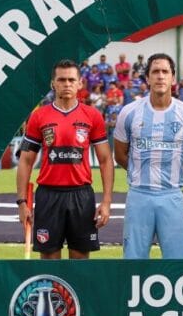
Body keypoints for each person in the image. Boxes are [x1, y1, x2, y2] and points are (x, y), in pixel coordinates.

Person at [16, 59, 114, 259]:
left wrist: (106, 202)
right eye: (62, 80)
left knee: (80, 261)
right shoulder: (38, 117)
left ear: (80, 83)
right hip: (48, 196)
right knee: (49, 261)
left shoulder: (92, 116)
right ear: (53, 83)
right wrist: (22, 203)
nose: (67, 84)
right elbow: (26, 161)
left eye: (71, 80)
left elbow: (105, 160)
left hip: (81, 196)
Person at [113, 54, 183, 259]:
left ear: (173, 78)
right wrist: (140, 173)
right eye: (155, 72)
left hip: (171, 196)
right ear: (147, 78)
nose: (160, 76)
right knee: (133, 262)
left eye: (165, 72)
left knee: (178, 263)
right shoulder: (128, 112)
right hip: (138, 195)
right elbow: (119, 154)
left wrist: (175, 178)